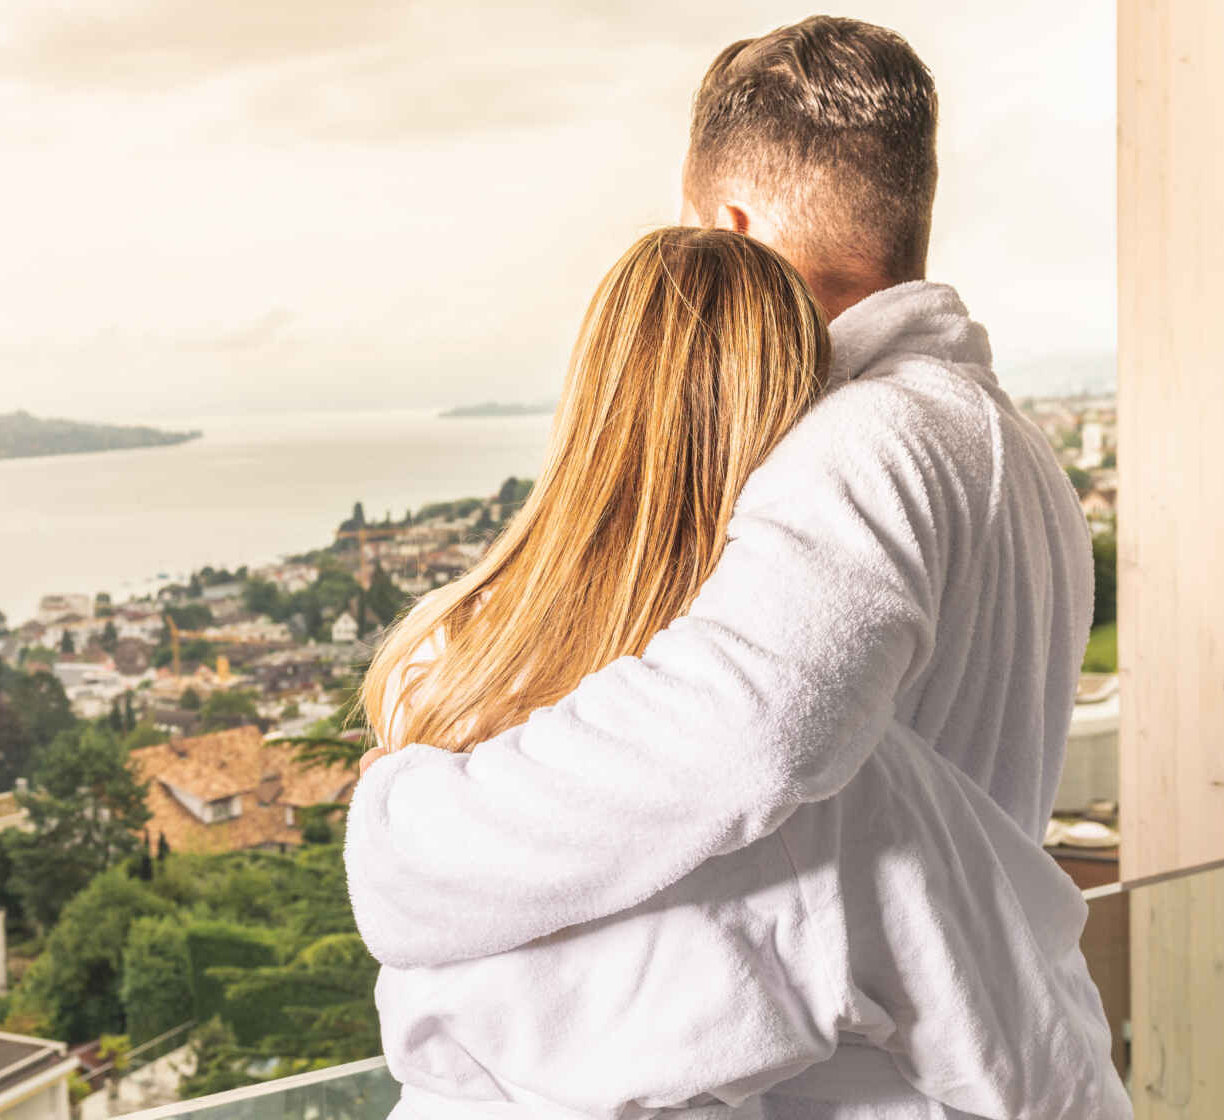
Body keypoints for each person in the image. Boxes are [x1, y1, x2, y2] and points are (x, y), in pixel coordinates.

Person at [343, 17, 1122, 1117]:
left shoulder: (867, 441)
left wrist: (410, 834)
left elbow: (747, 734)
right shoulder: (1006, 448)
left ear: (731, 226)